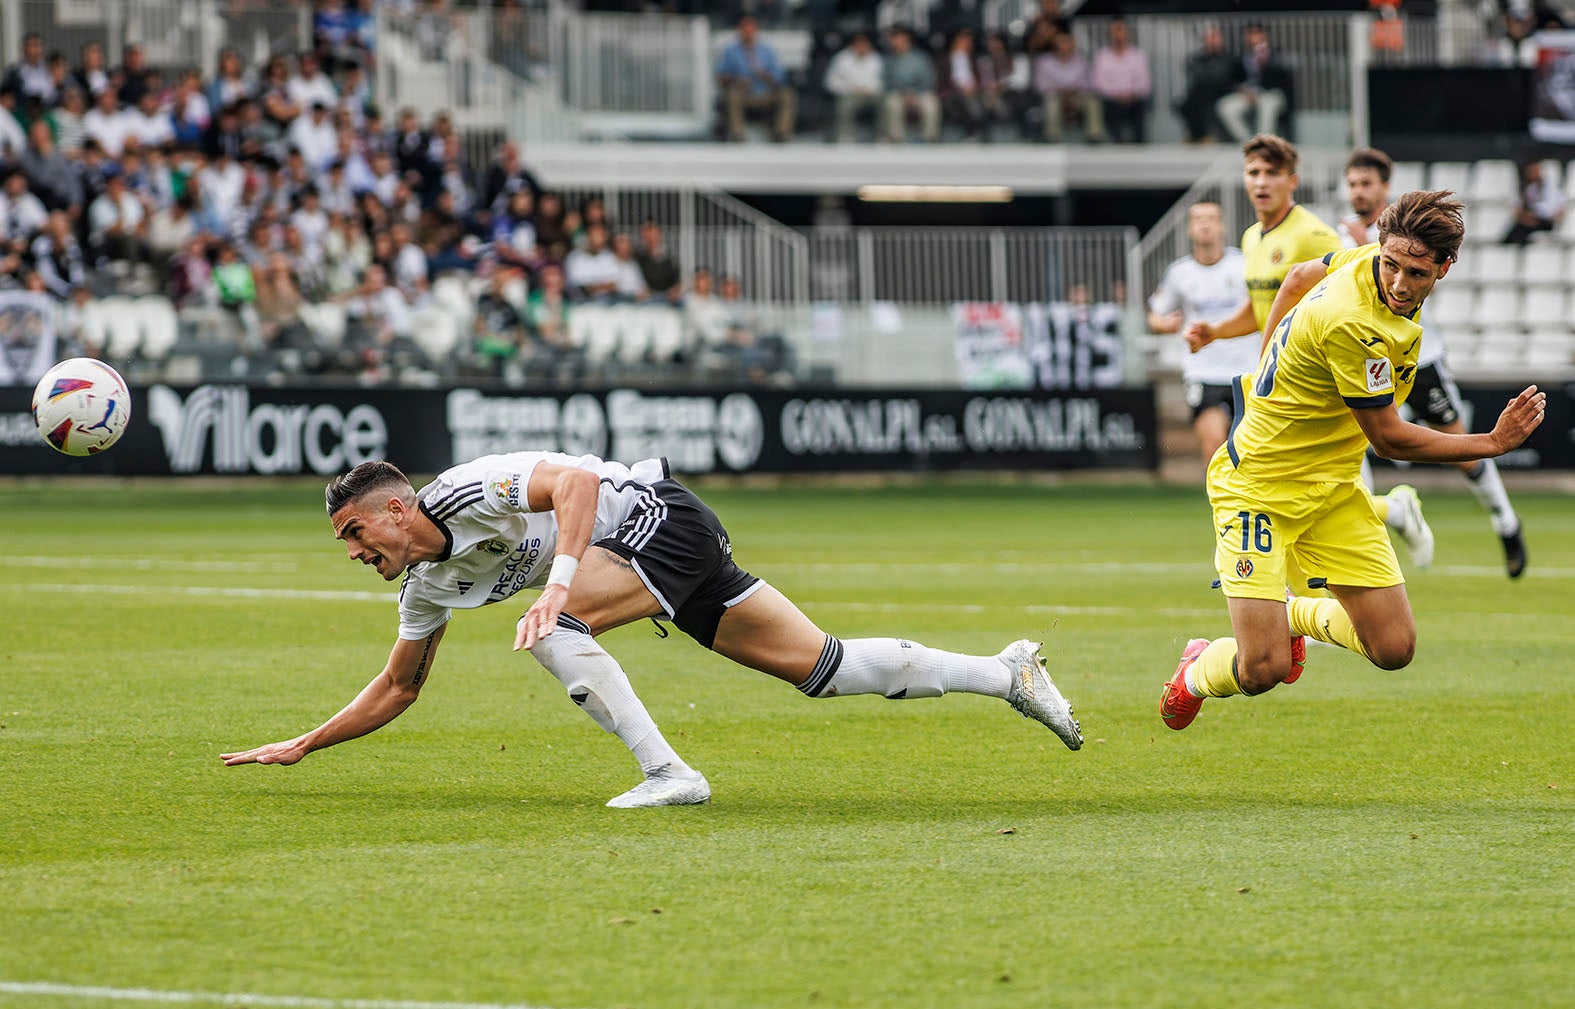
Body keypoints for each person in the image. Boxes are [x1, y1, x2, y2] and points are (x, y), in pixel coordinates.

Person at [221, 454, 1083, 806]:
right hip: (654, 556)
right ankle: (1007, 673)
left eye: (353, 533)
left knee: (551, 628)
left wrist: (556, 587)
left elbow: (573, 489)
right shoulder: (424, 584)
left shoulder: (466, 490)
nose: (351, 551)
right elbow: (399, 686)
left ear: (397, 508)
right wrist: (307, 741)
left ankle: (670, 773)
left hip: (658, 518)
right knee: (826, 669)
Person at [1160, 190, 1546, 731]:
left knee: (1394, 648)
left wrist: (1264, 371)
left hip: (1333, 489)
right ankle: (1196, 671)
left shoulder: (1363, 257)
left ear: (1444, 267)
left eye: (1415, 272)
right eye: (1391, 265)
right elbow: (1389, 440)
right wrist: (1492, 442)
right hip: (1258, 489)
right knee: (1261, 668)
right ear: (1381, 252)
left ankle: (1290, 615)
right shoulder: (1355, 327)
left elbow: (1296, 278)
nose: (1398, 282)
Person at [1185, 134, 1433, 567]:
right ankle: (1386, 521)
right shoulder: (1251, 239)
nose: (1261, 182)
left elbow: (1363, 285)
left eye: (1271, 174)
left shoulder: (1312, 234)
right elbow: (1260, 307)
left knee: (1323, 494)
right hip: (1288, 378)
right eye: (1253, 173)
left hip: (1329, 380)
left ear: (1291, 181)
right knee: (1313, 495)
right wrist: (1216, 332)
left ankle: (1337, 593)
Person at [1328, 148, 1527, 576]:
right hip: (1363, 353)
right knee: (1348, 448)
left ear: (1384, 186)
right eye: (1353, 184)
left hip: (1419, 359)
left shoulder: (1413, 234)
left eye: (1366, 183)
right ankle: (1364, 550)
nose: (1359, 192)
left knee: (1462, 450)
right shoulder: (1337, 236)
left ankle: (1505, 521)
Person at [1147, 201, 1257, 465]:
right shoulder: (1179, 273)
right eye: (1198, 219)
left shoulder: (1244, 265)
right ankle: (1224, 507)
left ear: (1222, 226)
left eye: (1211, 218)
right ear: (1189, 229)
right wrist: (1163, 324)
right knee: (1214, 450)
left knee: (1253, 452)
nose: (1204, 224)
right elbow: (1154, 314)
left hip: (1248, 369)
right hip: (1203, 370)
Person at [717, 15, 797, 144]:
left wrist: (764, 74)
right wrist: (737, 80)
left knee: (786, 95)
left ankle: (782, 133)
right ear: (740, 31)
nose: (748, 33)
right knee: (732, 95)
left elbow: (780, 77)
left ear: (756, 31)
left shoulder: (767, 51)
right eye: (745, 30)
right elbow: (721, 76)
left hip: (765, 92)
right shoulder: (731, 51)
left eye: (751, 30)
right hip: (744, 94)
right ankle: (737, 134)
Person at [1216, 23, 1291, 143]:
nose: (1253, 37)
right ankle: (1247, 141)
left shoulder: (1276, 55)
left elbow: (1280, 79)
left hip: (1271, 93)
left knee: (1268, 106)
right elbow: (1234, 80)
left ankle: (1264, 142)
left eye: (1256, 34)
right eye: (1250, 34)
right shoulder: (1242, 57)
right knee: (1226, 107)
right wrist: (1243, 90)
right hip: (1249, 95)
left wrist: (1263, 62)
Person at [1090, 18, 1150, 144]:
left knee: (1141, 105)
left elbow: (1144, 82)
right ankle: (1119, 143)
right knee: (1109, 107)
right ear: (1109, 34)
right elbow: (1099, 83)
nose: (1118, 35)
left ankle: (1140, 142)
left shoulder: (1138, 55)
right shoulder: (1102, 56)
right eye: (1115, 31)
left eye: (1121, 30)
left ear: (1128, 34)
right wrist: (1117, 94)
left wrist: (1131, 94)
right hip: (1111, 99)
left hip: (1134, 98)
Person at [1174, 24, 1235, 144]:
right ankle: (1196, 135)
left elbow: (1225, 77)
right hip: (1202, 92)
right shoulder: (1199, 57)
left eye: (1216, 37)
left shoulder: (1229, 57)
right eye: (1210, 37)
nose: (1213, 40)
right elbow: (1193, 71)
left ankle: (1204, 135)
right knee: (1186, 104)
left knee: (1203, 99)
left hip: (1223, 91)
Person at [881, 27, 940, 144]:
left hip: (919, 93)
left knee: (931, 103)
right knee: (892, 102)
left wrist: (915, 93)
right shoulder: (888, 60)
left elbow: (929, 80)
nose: (895, 42)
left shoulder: (920, 58)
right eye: (893, 39)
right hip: (898, 94)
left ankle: (930, 139)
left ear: (906, 40)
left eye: (898, 39)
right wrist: (903, 93)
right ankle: (896, 139)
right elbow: (886, 82)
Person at [824, 32, 883, 144]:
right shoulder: (841, 59)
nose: (861, 46)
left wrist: (869, 88)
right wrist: (849, 88)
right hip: (849, 94)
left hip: (872, 94)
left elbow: (883, 81)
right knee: (844, 105)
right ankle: (846, 138)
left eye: (864, 43)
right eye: (858, 43)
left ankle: (882, 137)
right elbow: (830, 82)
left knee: (886, 102)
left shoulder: (877, 59)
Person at [1502, 159, 1566, 245]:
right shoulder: (1524, 189)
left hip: (1546, 221)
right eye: (1530, 171)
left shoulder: (1552, 188)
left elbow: (1560, 210)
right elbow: (1518, 211)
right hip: (1530, 220)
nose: (1533, 173)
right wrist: (1527, 218)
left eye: (1535, 170)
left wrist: (1551, 219)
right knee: (1518, 230)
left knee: (1521, 231)